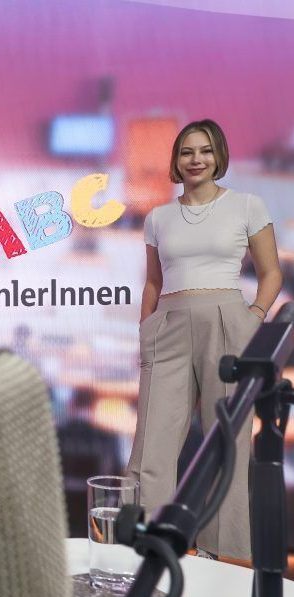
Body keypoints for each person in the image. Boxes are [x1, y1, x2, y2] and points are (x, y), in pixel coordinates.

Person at [127, 119, 282, 560]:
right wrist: (146, 329)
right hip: (168, 324)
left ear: (219, 157)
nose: (196, 159)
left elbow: (271, 273)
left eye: (205, 150)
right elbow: (153, 282)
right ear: (176, 161)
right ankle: (147, 547)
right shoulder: (158, 217)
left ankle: (222, 555)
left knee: (226, 441)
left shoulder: (247, 205)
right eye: (187, 152)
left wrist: (253, 317)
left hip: (227, 320)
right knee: (151, 445)